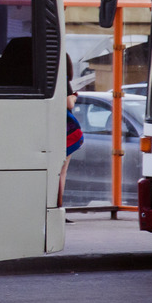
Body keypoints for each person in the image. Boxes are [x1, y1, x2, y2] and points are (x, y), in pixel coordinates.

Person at [61, 55, 83, 207]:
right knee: (61, 172)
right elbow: (69, 103)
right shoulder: (60, 75)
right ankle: (58, 205)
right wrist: (75, 97)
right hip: (63, 130)